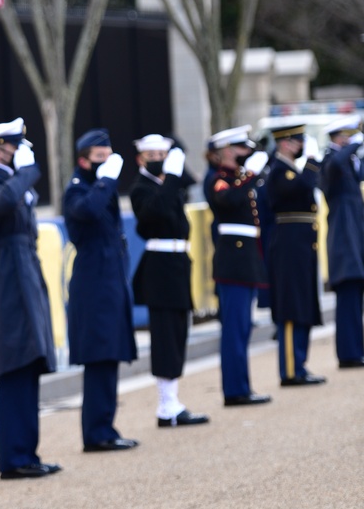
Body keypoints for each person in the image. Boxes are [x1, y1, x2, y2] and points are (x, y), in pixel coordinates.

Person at [0, 119, 60, 479]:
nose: (20, 154)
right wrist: (24, 175)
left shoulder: (10, 180)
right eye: (14, 147)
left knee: (30, 362)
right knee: (15, 364)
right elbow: (0, 204)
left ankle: (27, 452)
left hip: (24, 270)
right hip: (8, 277)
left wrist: (23, 178)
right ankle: (13, 457)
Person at [62, 129, 139, 452]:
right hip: (93, 287)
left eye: (109, 158)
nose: (106, 165)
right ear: (83, 160)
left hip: (110, 282)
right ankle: (96, 432)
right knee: (98, 359)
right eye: (99, 159)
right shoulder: (78, 190)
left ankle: (106, 426)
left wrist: (106, 181)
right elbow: (87, 212)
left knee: (110, 357)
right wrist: (105, 180)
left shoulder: (99, 188)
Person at [129, 134, 208, 428]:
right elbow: (156, 211)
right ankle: (166, 405)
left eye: (164, 154)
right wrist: (171, 174)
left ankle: (173, 400)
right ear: (141, 159)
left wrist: (178, 164)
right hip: (159, 268)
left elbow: (189, 181)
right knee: (164, 336)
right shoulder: (141, 188)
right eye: (152, 155)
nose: (160, 159)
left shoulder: (170, 183)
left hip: (177, 265)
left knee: (177, 334)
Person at [205, 126, 272, 406]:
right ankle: (234, 390)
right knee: (234, 328)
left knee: (243, 327)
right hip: (233, 260)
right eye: (241, 148)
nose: (247, 153)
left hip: (245, 260)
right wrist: (249, 176)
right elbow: (227, 200)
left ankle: (242, 387)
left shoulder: (236, 178)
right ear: (227, 151)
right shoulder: (218, 179)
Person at [264, 120, 325, 387]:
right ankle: (290, 368)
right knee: (291, 306)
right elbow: (301, 187)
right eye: (298, 141)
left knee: (303, 303)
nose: (301, 146)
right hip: (289, 246)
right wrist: (311, 161)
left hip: (301, 246)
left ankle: (299, 364)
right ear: (285, 143)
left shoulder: (289, 169)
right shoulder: (279, 171)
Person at [320, 116, 364, 369]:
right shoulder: (331, 160)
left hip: (355, 239)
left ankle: (355, 350)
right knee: (347, 298)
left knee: (355, 298)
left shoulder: (348, 161)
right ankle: (348, 353)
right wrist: (354, 143)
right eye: (346, 136)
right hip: (343, 240)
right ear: (338, 138)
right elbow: (337, 162)